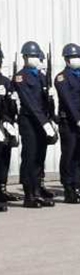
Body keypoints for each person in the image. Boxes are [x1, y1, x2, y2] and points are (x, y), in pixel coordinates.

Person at [14, 41, 58, 208]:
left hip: (42, 121)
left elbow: (44, 102)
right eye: (32, 55)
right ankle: (29, 194)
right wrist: (44, 122)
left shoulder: (40, 75)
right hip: (30, 122)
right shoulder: (20, 76)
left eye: (36, 56)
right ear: (25, 57)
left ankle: (38, 190)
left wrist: (51, 114)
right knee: (30, 157)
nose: (35, 58)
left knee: (40, 156)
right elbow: (30, 102)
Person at [54, 43, 80, 204]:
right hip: (70, 122)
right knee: (69, 155)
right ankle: (69, 188)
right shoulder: (62, 77)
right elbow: (68, 102)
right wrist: (79, 122)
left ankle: (78, 182)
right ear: (67, 59)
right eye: (77, 57)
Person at [0, 45, 23, 211]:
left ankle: (2, 188)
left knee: (4, 157)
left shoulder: (6, 81)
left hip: (5, 125)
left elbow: (11, 108)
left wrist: (12, 101)